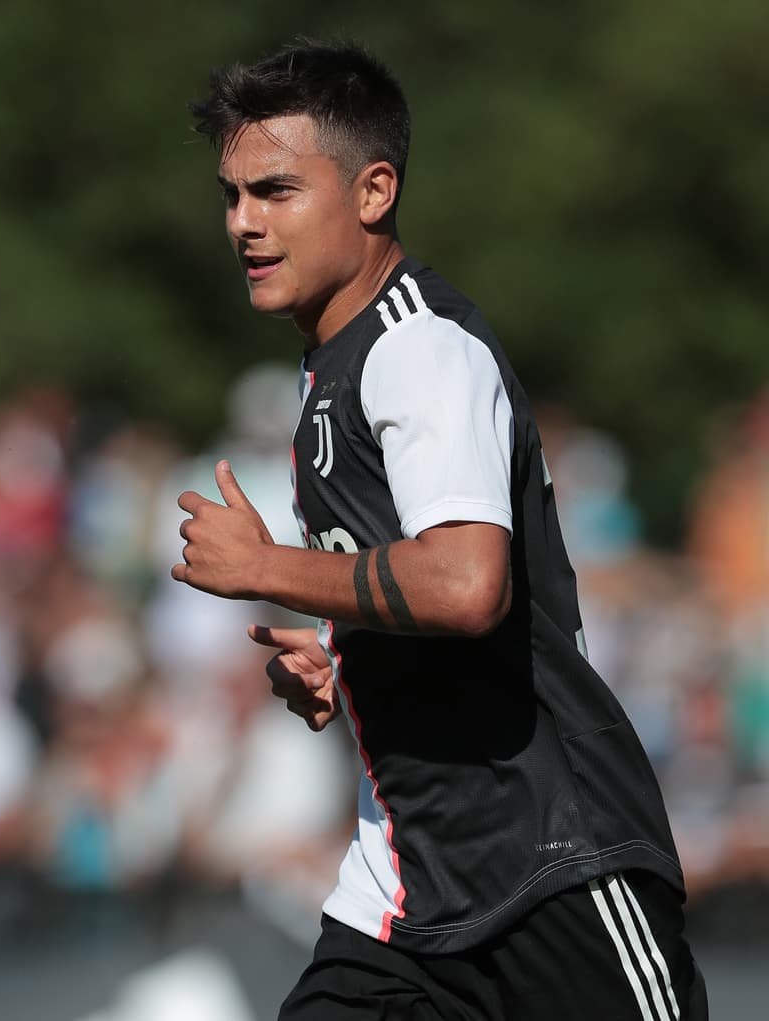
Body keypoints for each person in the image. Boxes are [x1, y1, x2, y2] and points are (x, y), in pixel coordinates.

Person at [174, 39, 707, 1020]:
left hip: (550, 870)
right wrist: (348, 653)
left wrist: (269, 568)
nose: (242, 223)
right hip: (407, 889)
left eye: (276, 191)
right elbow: (421, 587)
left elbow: (464, 585)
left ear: (371, 191)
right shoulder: (327, 375)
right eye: (232, 195)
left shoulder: (417, 349)